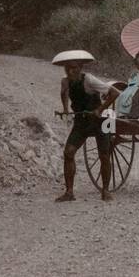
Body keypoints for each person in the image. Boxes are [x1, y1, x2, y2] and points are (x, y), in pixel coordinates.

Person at [52, 50, 114, 202]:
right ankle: (69, 192)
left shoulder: (89, 80)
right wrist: (66, 109)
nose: (70, 71)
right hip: (82, 121)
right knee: (68, 152)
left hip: (103, 120)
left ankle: (105, 190)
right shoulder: (65, 81)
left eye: (73, 68)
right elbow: (63, 93)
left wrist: (100, 109)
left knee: (104, 155)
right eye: (67, 68)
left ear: (80, 68)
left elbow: (115, 92)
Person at [115, 51, 139, 116]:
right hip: (133, 87)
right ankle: (121, 112)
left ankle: (128, 112)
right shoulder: (137, 72)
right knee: (123, 94)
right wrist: (133, 77)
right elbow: (131, 81)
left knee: (132, 96)